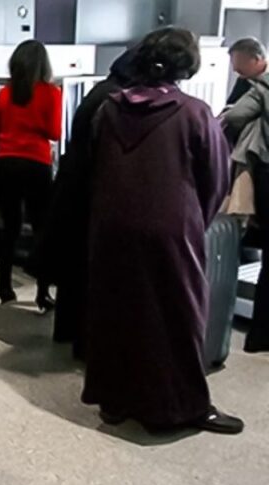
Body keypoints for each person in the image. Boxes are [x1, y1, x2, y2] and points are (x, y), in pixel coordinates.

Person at [83, 27, 243, 434]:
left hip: (111, 226)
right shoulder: (193, 113)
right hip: (170, 227)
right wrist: (194, 218)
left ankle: (115, 400)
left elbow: (93, 167)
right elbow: (216, 178)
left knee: (118, 309)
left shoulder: (110, 108)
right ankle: (178, 407)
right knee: (177, 314)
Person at [41, 47, 136, 358]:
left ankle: (66, 331)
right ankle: (83, 342)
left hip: (71, 185)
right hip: (88, 192)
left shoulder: (100, 92)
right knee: (86, 272)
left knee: (72, 270)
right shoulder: (115, 101)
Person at [0, 40, 61, 310]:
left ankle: (4, 286)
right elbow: (55, 132)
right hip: (36, 164)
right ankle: (42, 292)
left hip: (6, 163)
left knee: (10, 227)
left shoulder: (4, 93)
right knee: (42, 227)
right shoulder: (51, 93)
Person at [222, 44, 269, 354]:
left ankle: (260, 334)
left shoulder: (261, 88)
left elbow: (235, 115)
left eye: (239, 63)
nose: (236, 70)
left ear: (256, 59)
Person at [227, 37, 267, 107]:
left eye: (240, 63)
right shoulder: (243, 79)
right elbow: (230, 106)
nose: (235, 69)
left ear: (257, 59)